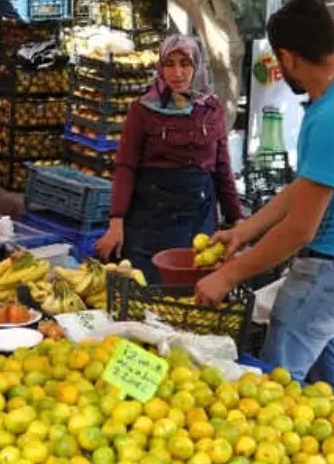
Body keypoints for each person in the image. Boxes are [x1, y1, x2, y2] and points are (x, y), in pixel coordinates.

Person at [194, 0, 334, 399]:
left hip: (332, 272)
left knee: (279, 389)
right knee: (330, 393)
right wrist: (245, 230)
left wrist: (229, 273)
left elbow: (301, 228)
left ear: (290, 57)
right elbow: (307, 186)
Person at [94, 34, 243, 284]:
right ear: (160, 67)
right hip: (152, 219)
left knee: (193, 289)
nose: (178, 73)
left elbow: (222, 169)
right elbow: (125, 167)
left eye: (185, 63)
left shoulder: (211, 108)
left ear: (197, 66)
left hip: (198, 217)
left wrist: (238, 221)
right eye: (170, 64)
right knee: (147, 287)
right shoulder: (142, 110)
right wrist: (116, 222)